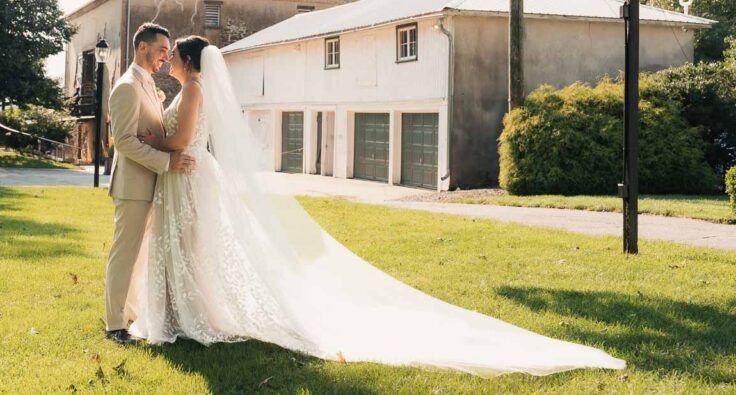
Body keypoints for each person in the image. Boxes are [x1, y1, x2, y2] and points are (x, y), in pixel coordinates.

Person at [125, 35, 627, 377]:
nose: (167, 60)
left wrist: (153, 139)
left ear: (189, 62)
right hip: (185, 178)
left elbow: (186, 139)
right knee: (190, 249)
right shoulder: (195, 86)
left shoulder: (192, 89)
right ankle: (181, 314)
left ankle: (192, 317)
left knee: (193, 248)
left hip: (187, 176)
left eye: (174, 55)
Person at [103, 23, 195, 345]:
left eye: (169, 53)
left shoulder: (149, 86)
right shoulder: (127, 87)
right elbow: (125, 142)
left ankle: (127, 314)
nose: (165, 58)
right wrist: (168, 162)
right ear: (143, 48)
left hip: (151, 186)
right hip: (132, 186)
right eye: (161, 51)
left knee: (139, 257)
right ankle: (114, 324)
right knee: (124, 254)